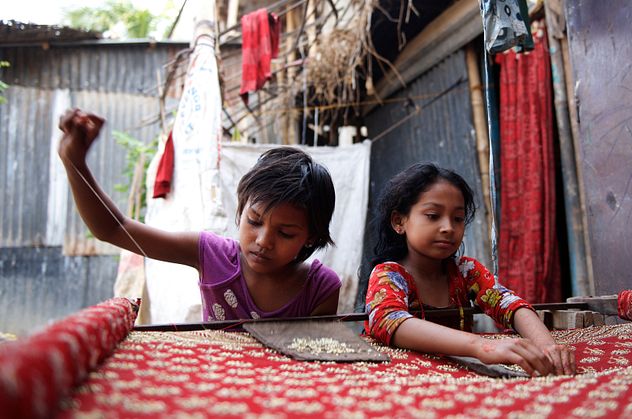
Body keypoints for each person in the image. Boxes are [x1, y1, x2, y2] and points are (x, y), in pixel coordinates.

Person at [58, 108, 341, 321]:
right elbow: (114, 228)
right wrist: (75, 163)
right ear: (241, 211)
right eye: (254, 221)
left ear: (310, 237)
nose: (263, 240)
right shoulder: (210, 255)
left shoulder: (321, 288)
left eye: (285, 233)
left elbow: (311, 367)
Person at [365, 162, 575, 376]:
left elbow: (509, 304)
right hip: (404, 381)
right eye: (433, 215)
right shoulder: (388, 275)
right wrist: (480, 346)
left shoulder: (466, 271)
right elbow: (389, 320)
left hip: (460, 378)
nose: (448, 227)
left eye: (458, 218)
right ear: (399, 221)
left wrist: (547, 346)